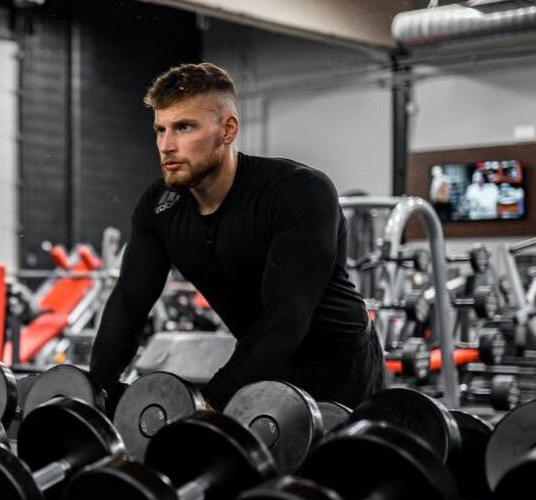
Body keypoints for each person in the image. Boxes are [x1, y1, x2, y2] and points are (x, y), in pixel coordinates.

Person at [89, 62, 386, 411]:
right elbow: (130, 302)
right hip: (260, 361)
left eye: (183, 127)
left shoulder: (297, 190)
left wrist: (215, 401)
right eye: (160, 129)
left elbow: (287, 314)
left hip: (339, 367)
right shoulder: (159, 207)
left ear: (227, 130)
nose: (166, 145)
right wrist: (97, 390)